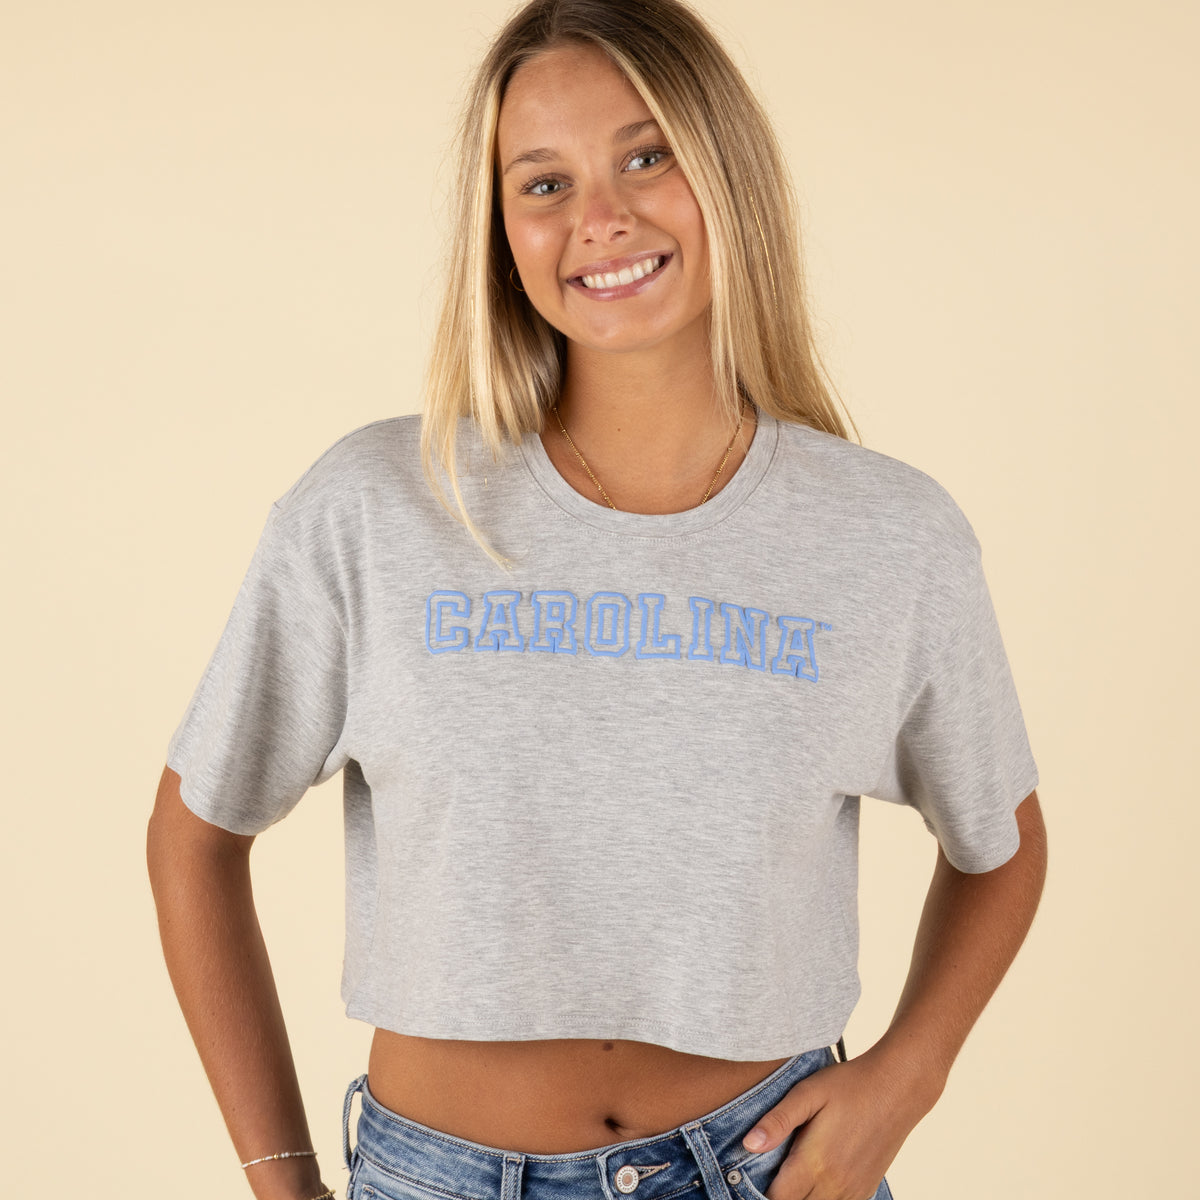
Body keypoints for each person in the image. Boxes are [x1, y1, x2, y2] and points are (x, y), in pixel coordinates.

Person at [147, 2, 1047, 1199]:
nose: (601, 219)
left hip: (768, 1168)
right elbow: (194, 837)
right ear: (501, 231)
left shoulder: (888, 533)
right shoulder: (375, 508)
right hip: (437, 1176)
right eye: (544, 183)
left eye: (646, 155)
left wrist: (907, 1077)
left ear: (726, 168)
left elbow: (1002, 847)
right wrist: (280, 1179)